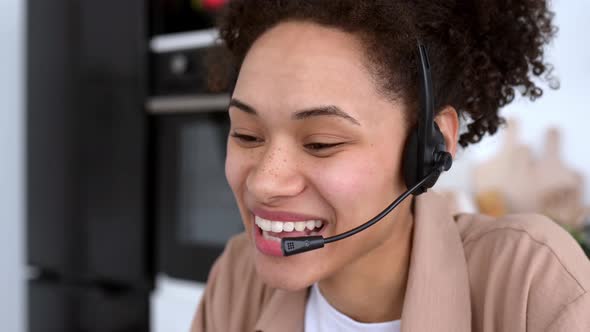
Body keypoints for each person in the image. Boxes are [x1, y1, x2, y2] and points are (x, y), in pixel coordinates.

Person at [191, 1, 590, 331]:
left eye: (320, 143)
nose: (264, 183)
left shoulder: (530, 282)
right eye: (246, 134)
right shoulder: (237, 277)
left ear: (429, 146)